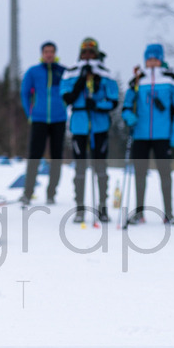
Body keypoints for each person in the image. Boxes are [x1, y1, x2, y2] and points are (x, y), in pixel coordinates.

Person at [121, 43, 174, 225]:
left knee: (165, 174)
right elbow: (126, 105)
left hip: (163, 135)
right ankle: (139, 212)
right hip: (140, 135)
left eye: (155, 58)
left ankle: (169, 213)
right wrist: (129, 116)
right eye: (149, 59)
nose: (152, 62)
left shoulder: (172, 79)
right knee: (140, 174)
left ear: (161, 59)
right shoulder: (137, 79)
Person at [59, 37, 120, 222]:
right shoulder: (70, 73)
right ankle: (80, 208)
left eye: (91, 52)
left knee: (100, 167)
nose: (87, 55)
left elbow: (113, 101)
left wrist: (98, 104)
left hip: (99, 125)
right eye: (84, 52)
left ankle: (102, 207)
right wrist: (80, 82)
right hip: (79, 125)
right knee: (80, 167)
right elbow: (67, 98)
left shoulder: (105, 73)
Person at [19, 41, 66, 205]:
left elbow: (69, 92)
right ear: (42, 53)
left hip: (59, 119)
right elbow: (24, 93)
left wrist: (65, 107)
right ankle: (27, 192)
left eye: (51, 52)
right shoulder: (33, 72)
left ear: (55, 53)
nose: (49, 54)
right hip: (38, 119)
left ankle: (51, 193)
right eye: (46, 52)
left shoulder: (62, 71)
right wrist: (29, 113)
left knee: (56, 158)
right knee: (34, 157)